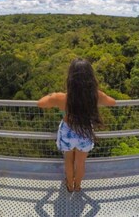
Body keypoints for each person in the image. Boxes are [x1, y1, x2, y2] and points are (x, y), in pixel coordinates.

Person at [37, 58, 116, 192]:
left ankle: (69, 186)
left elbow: (41, 103)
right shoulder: (95, 96)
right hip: (85, 132)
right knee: (80, 163)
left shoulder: (61, 98)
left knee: (68, 160)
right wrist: (97, 95)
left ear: (70, 79)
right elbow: (112, 102)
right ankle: (78, 186)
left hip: (67, 132)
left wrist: (53, 94)